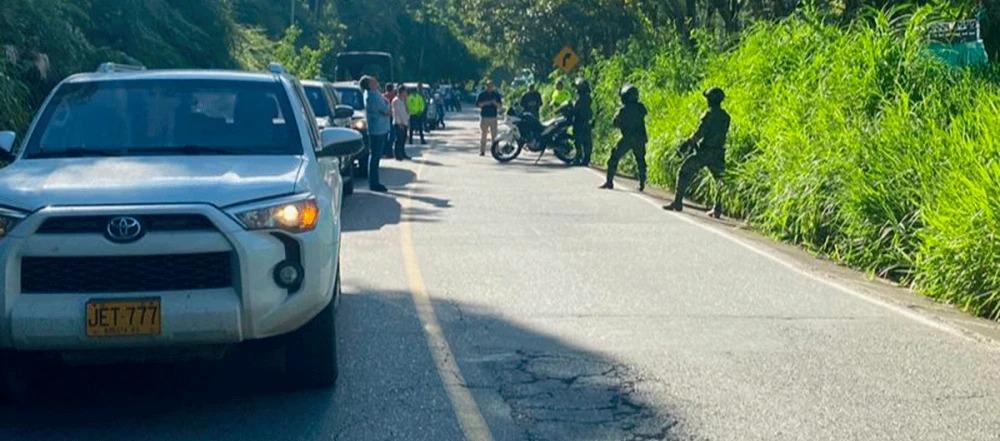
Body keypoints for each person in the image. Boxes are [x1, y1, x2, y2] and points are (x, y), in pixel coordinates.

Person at [663, 87, 731, 218]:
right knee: (720, 180)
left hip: (705, 152)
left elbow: (700, 133)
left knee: (684, 171)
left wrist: (689, 143)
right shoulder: (726, 117)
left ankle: (677, 202)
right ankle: (717, 209)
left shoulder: (709, 115)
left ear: (710, 100)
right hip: (718, 153)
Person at [600, 84, 647, 191]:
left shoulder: (623, 110)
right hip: (640, 138)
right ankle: (642, 183)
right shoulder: (640, 107)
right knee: (640, 161)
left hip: (628, 138)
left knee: (614, 157)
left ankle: (609, 181)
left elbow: (615, 123)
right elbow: (644, 113)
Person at [361, 75, 391, 192]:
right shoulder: (372, 96)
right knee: (375, 156)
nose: (375, 81)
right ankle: (374, 183)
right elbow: (385, 110)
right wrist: (387, 104)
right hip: (377, 129)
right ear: (369, 84)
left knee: (375, 156)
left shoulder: (374, 93)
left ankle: (374, 182)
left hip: (379, 128)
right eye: (372, 80)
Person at [476, 81, 503, 156]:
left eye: (491, 86)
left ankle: (496, 151)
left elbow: (500, 106)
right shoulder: (482, 94)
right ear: (486, 86)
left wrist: (495, 103)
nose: (490, 88)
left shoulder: (496, 95)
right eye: (488, 86)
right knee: (484, 135)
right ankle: (482, 151)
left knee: (494, 136)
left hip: (493, 117)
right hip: (484, 117)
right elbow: (478, 104)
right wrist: (487, 103)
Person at [571, 78, 593, 166]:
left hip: (580, 122)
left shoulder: (581, 99)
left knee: (578, 141)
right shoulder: (588, 98)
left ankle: (579, 157)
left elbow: (575, 109)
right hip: (586, 122)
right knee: (587, 141)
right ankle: (586, 159)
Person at [391, 87, 411, 161]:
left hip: (405, 122)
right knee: (399, 140)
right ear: (401, 92)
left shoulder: (404, 100)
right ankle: (398, 155)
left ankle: (403, 153)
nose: (406, 93)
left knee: (403, 139)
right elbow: (396, 113)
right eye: (405, 92)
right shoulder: (396, 101)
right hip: (399, 123)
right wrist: (399, 123)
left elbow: (407, 111)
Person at [383, 83, 398, 158]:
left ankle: (385, 151)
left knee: (385, 135)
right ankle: (389, 151)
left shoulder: (382, 97)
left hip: (384, 118)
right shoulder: (394, 97)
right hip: (391, 117)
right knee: (392, 135)